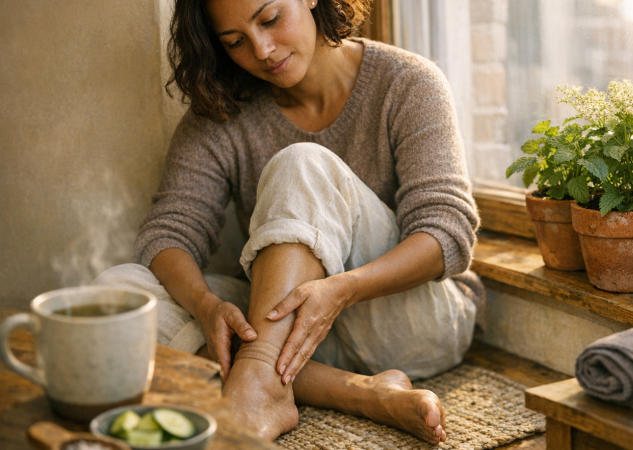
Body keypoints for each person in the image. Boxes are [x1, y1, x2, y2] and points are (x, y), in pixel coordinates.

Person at [94, 0, 484, 444]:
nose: (261, 50)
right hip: (297, 334)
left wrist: (343, 290)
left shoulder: (409, 82)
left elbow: (447, 233)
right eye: (236, 41)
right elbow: (168, 233)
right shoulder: (224, 112)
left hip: (411, 325)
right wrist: (204, 306)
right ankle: (359, 393)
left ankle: (256, 380)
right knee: (118, 292)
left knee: (303, 164)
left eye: (270, 19)